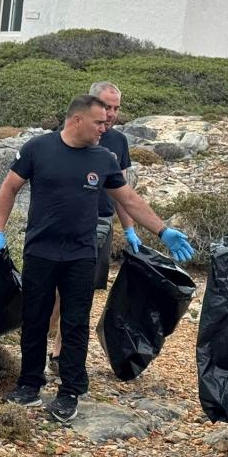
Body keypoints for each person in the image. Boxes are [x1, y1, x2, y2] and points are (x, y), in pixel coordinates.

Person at [0, 95, 195, 424]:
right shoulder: (38, 149)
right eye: (99, 122)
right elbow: (10, 187)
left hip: (81, 255)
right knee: (35, 319)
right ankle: (29, 383)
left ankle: (70, 389)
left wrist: (162, 229)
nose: (105, 126)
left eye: (107, 122)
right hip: (40, 252)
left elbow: (128, 198)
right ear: (77, 120)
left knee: (75, 323)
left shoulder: (104, 158)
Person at [46, 81, 135, 373]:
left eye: (116, 108)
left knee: (80, 287)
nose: (110, 114)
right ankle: (44, 333)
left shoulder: (119, 142)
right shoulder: (72, 133)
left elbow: (123, 192)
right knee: (56, 285)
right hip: (64, 222)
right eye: (105, 106)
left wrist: (130, 229)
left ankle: (61, 350)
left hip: (99, 222)